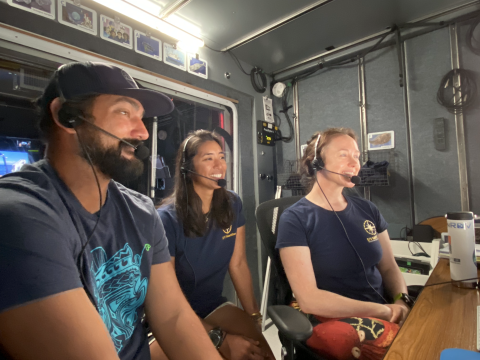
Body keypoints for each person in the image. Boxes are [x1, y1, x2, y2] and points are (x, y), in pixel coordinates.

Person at [0, 62, 222, 360]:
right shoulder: (18, 215)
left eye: (142, 118)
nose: (142, 132)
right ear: (66, 116)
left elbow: (173, 316)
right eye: (123, 112)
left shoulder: (142, 211)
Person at [276, 128, 410, 360]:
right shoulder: (295, 219)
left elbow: (389, 267)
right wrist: (385, 311)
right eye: (343, 154)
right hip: (332, 317)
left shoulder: (368, 209)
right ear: (316, 162)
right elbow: (309, 299)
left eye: (356, 156)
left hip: (383, 310)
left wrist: (402, 300)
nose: (354, 163)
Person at [154, 130, 275, 360]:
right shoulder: (165, 219)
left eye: (221, 156)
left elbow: (238, 264)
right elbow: (166, 299)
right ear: (187, 169)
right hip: (172, 314)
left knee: (261, 353)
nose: (218, 164)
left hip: (211, 305)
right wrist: (219, 338)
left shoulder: (232, 203)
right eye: (208, 158)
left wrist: (254, 317)